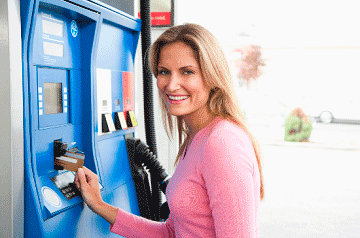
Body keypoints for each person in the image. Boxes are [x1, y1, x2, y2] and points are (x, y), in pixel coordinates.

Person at [75, 23, 264, 237]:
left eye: (187, 72)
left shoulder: (222, 143)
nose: (171, 85)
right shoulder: (197, 138)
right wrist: (99, 205)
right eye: (164, 72)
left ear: (212, 76)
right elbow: (171, 232)